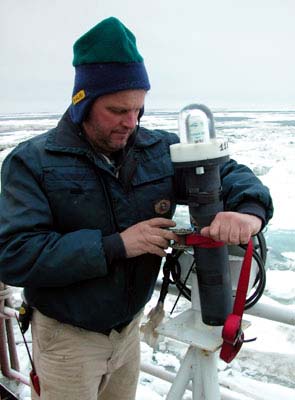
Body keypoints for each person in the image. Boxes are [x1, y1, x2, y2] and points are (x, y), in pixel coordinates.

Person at [0, 17, 273, 400]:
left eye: (138, 110)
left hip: (127, 334)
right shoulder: (32, 162)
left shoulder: (157, 151)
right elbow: (13, 255)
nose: (131, 122)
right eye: (117, 110)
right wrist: (116, 245)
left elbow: (224, 171)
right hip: (67, 341)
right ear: (82, 103)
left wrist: (249, 210)